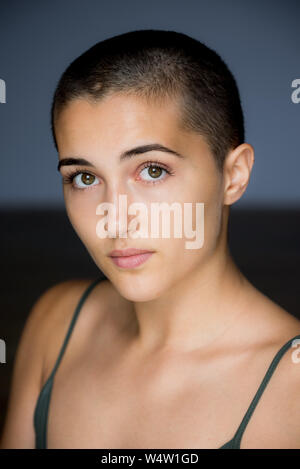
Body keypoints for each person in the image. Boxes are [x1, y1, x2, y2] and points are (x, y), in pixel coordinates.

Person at [1, 29, 300, 449]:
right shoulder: (57, 324)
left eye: (152, 170)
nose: (115, 220)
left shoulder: (293, 390)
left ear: (234, 175)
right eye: (84, 178)